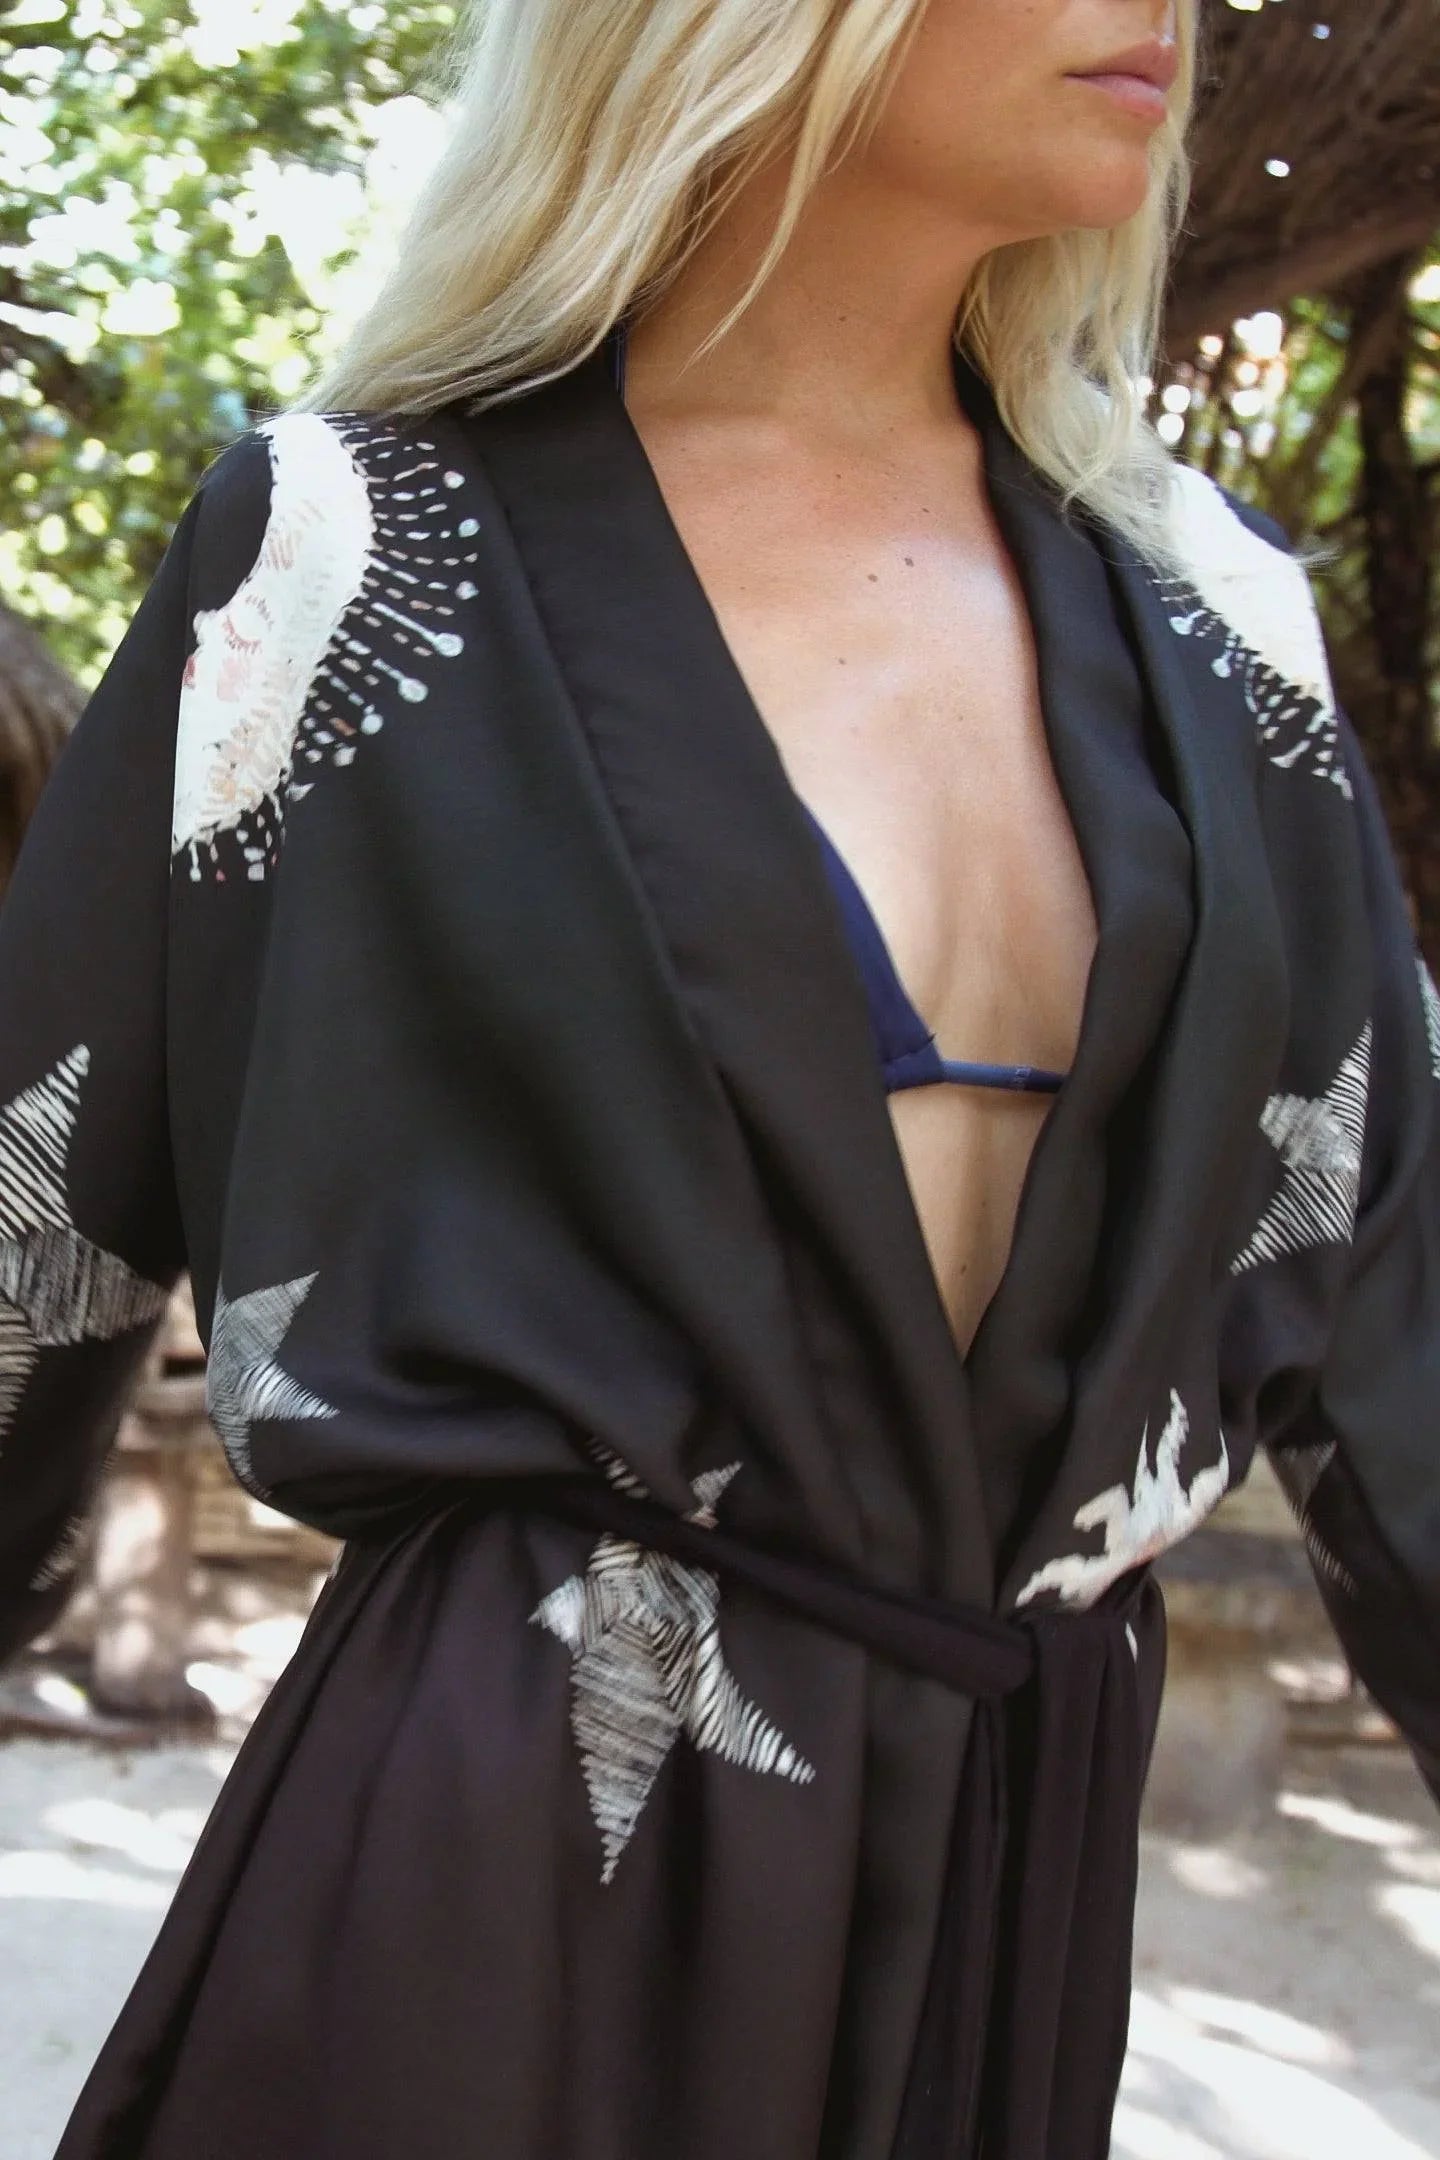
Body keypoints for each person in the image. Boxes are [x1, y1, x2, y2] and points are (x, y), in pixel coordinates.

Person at [1, 0, 1436, 2152]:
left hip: (1003, 1925)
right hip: (472, 1906)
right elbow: (34, 1259)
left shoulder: (1215, 618)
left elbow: (1406, 1346)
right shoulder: (342, 551)